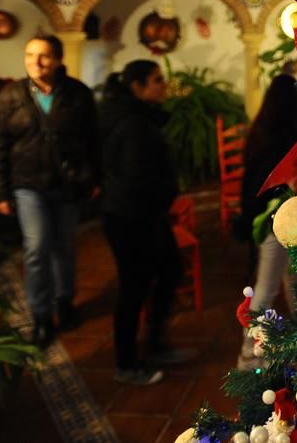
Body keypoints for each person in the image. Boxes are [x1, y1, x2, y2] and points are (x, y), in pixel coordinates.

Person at [0, 34, 99, 347]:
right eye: (29, 54)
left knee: (64, 246)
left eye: (44, 55)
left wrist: (93, 178)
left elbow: (92, 140)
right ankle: (40, 315)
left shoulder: (78, 94)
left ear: (59, 59)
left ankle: (64, 302)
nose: (36, 62)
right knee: (37, 249)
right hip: (27, 187)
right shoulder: (10, 96)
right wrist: (0, 192)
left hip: (67, 184)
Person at [99, 60, 185, 386]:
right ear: (137, 86)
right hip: (131, 216)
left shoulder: (137, 116)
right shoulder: (132, 123)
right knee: (133, 288)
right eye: (157, 80)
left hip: (143, 213)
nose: (164, 85)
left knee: (169, 270)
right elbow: (138, 176)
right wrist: (161, 199)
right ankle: (127, 362)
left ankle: (156, 344)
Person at [235, 72, 297, 370]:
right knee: (269, 288)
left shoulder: (262, 132)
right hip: (277, 222)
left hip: (270, 220)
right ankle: (248, 354)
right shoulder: (285, 138)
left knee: (294, 282)